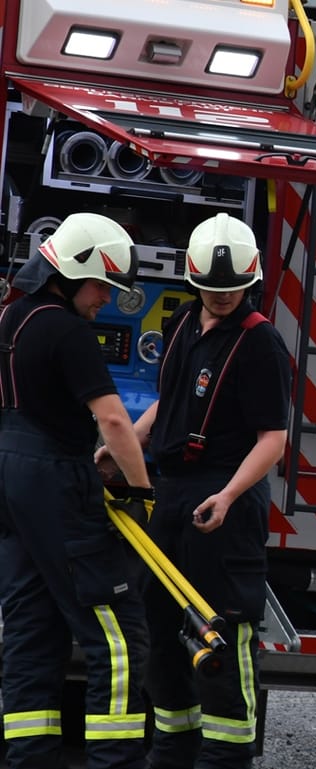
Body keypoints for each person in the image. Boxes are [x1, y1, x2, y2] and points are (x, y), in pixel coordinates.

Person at [98, 213, 291, 769]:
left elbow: (272, 439)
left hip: (225, 499)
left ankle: (227, 755)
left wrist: (229, 495)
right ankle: (174, 748)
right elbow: (168, 402)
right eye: (212, 288)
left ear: (249, 280)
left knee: (224, 629)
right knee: (159, 624)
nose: (222, 297)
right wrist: (124, 447)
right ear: (194, 280)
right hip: (173, 491)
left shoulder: (262, 345)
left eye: (232, 289)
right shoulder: (185, 322)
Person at [0, 213, 154, 769]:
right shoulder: (67, 330)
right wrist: (141, 491)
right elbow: (113, 420)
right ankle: (114, 760)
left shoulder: (13, 316)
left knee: (28, 630)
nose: (106, 301)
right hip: (58, 485)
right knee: (116, 637)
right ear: (74, 272)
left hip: (13, 478)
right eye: (102, 287)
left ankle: (28, 759)